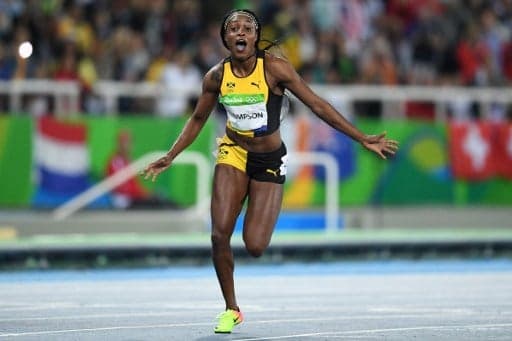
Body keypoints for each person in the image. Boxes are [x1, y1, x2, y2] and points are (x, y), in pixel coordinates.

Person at [142, 9, 399, 334]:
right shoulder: (216, 77)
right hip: (233, 153)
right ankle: (231, 309)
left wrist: (361, 137)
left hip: (269, 160)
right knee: (219, 233)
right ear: (225, 39)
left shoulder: (275, 69)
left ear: (255, 37)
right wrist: (171, 155)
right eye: (233, 28)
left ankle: (254, 199)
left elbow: (317, 105)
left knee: (255, 245)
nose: (240, 32)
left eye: (247, 28)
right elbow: (197, 119)